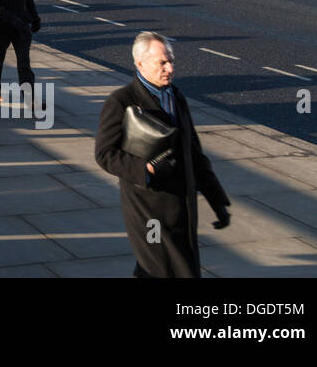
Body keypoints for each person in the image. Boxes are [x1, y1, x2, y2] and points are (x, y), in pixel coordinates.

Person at [95, 32, 231, 278]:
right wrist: (144, 169)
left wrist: (217, 200)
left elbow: (195, 154)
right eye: (162, 63)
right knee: (171, 271)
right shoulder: (121, 101)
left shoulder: (176, 97)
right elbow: (105, 154)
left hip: (183, 208)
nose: (170, 68)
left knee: (156, 271)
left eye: (171, 61)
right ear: (140, 64)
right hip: (148, 210)